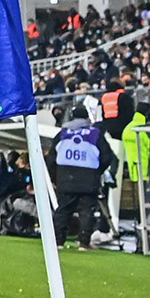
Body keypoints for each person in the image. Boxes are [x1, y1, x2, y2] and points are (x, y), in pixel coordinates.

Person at [49, 106, 115, 250]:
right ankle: (84, 243)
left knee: (63, 211)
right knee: (87, 212)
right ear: (86, 118)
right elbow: (106, 157)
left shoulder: (63, 134)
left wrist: (56, 177)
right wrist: (97, 172)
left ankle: (58, 242)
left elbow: (51, 159)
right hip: (88, 179)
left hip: (66, 177)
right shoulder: (95, 134)